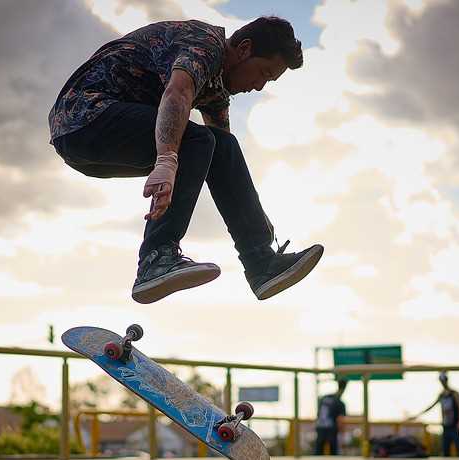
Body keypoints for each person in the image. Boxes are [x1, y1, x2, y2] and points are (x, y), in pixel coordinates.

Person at [49, 17, 324, 304]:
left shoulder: (215, 88)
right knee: (197, 140)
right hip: (83, 117)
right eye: (263, 73)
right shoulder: (205, 45)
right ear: (244, 49)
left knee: (220, 145)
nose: (258, 87)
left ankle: (261, 263)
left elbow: (225, 163)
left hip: (93, 140)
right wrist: (167, 160)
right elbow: (177, 92)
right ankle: (156, 258)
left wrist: (254, 218)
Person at [412, 372, 459, 456]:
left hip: (455, 425)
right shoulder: (441, 395)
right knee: (446, 449)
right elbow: (431, 406)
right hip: (445, 425)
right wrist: (417, 415)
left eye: (444, 380)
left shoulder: (454, 393)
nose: (443, 382)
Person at [314, 379, 347, 455]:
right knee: (333, 452)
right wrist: (342, 435)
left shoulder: (325, 397)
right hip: (331, 428)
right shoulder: (340, 402)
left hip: (320, 426)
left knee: (318, 451)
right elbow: (340, 420)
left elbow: (318, 413)